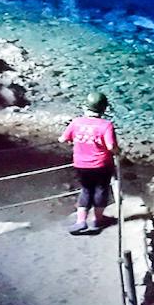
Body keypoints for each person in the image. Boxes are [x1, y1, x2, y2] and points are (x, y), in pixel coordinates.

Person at [59, 91, 118, 235]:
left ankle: (81, 221)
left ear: (86, 107)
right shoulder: (106, 125)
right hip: (102, 164)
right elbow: (111, 146)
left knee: (86, 190)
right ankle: (97, 220)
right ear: (104, 108)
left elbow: (63, 139)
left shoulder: (76, 122)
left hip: (81, 164)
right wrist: (119, 152)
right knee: (101, 190)